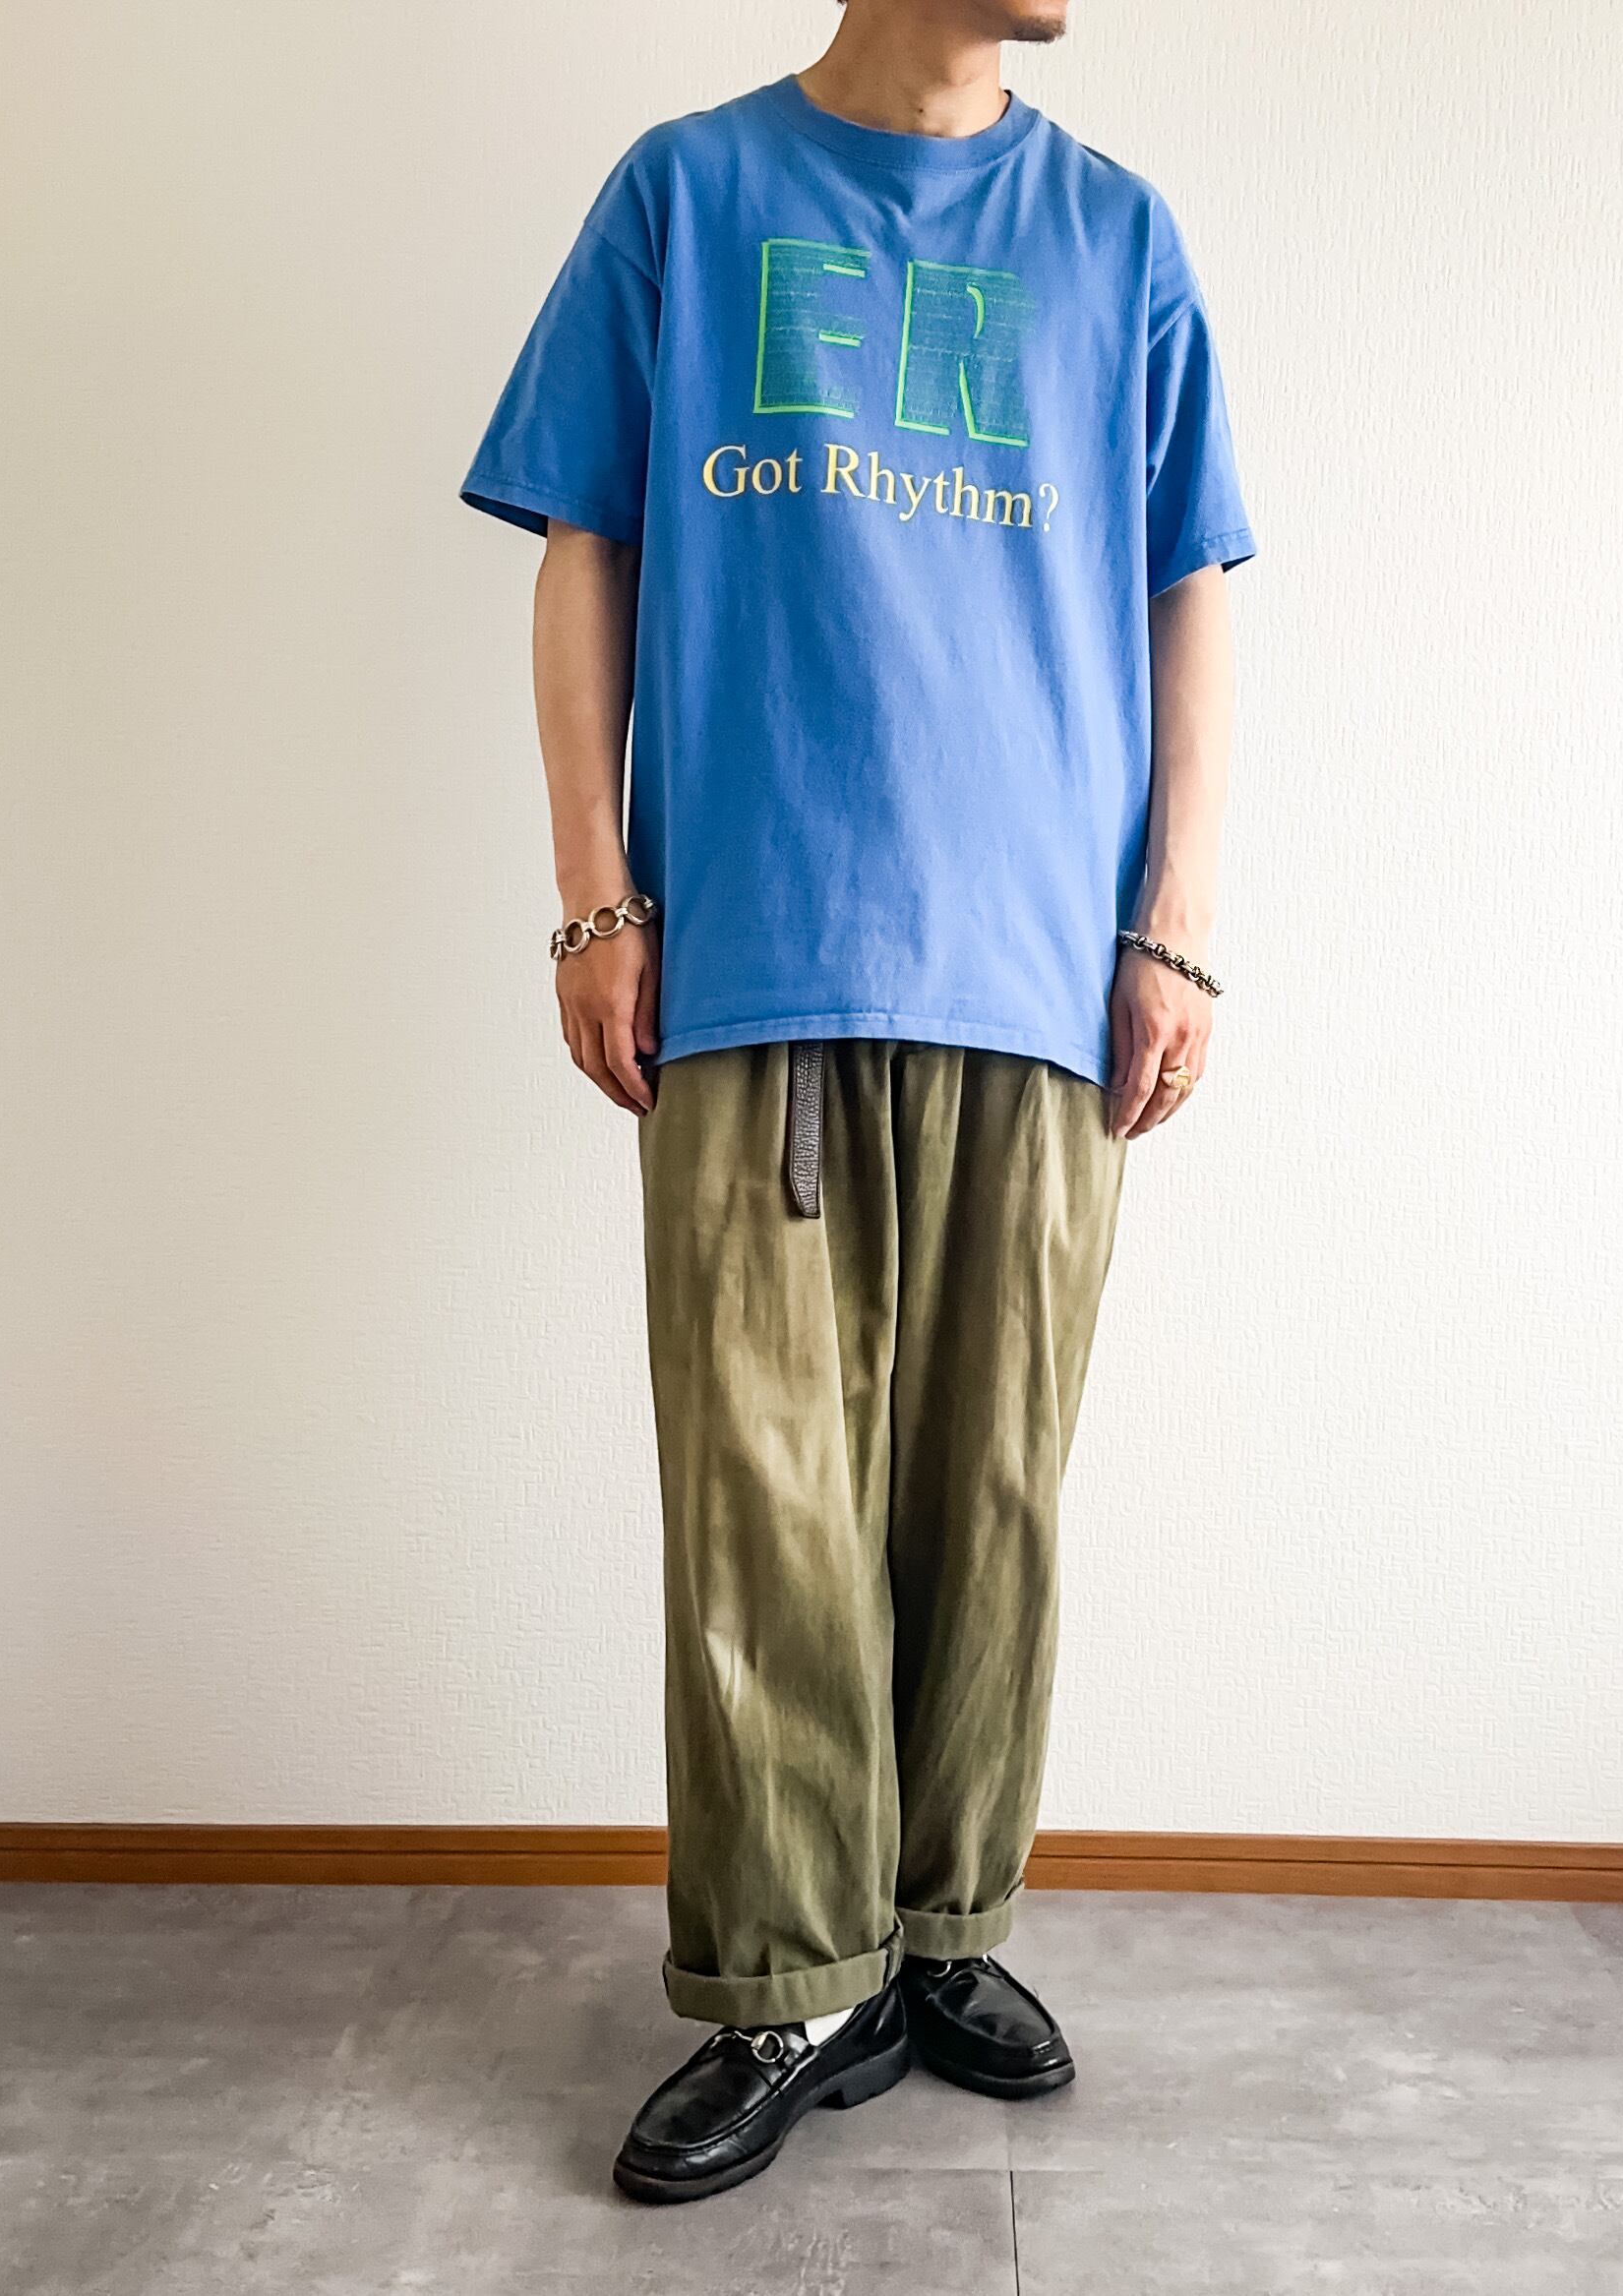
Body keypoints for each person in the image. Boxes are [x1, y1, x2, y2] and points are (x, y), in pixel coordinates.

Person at [460, 0, 1252, 2205]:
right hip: (759, 941)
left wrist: (1177, 923)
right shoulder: (690, 196)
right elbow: (585, 542)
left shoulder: (1113, 237)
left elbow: (1189, 582)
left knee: (990, 1491)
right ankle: (790, 1978)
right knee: (762, 1496)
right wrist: (592, 895)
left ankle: (936, 1930)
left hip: (1038, 964)